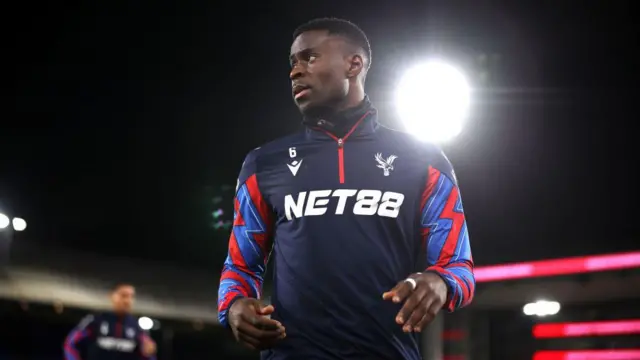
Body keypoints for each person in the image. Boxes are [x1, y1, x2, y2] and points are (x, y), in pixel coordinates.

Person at [217, 18, 475, 360]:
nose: (295, 72)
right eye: (293, 63)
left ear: (354, 64)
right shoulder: (264, 164)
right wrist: (234, 307)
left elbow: (458, 265)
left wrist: (441, 283)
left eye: (309, 58)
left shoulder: (424, 159)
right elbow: (240, 267)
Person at [64, 283, 156, 360]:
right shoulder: (95, 321)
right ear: (112, 296)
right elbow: (71, 345)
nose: (127, 301)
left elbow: (149, 354)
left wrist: (148, 353)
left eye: (131, 297)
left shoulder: (137, 327)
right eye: (123, 296)